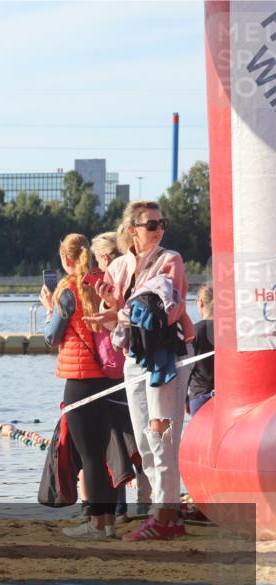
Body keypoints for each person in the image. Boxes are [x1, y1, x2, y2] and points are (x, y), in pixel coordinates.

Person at [87, 201, 195, 541]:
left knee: (163, 435)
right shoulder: (119, 265)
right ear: (133, 229)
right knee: (146, 439)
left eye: (162, 223)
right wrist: (110, 305)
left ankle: (165, 516)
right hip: (134, 354)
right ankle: (162, 515)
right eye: (151, 224)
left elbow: (170, 311)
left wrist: (120, 311)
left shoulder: (169, 259)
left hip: (165, 354)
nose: (159, 228)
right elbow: (114, 316)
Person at [41, 233, 125, 539]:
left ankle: (97, 525)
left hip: (79, 381)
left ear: (66, 258)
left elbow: (51, 337)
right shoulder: (103, 282)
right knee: (104, 454)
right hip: (110, 379)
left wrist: (49, 307)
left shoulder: (68, 290)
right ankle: (110, 522)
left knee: (89, 455)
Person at [90, 231, 150, 523]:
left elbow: (106, 331)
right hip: (134, 369)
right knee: (138, 442)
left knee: (112, 446)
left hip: (111, 375)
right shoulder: (134, 277)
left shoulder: (107, 285)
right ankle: (145, 505)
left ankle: (118, 509)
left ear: (103, 257)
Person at [188, 283, 215, 416]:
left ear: (201, 303)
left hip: (200, 394)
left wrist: (184, 398)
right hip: (224, 395)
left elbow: (188, 366)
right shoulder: (228, 330)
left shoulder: (194, 331)